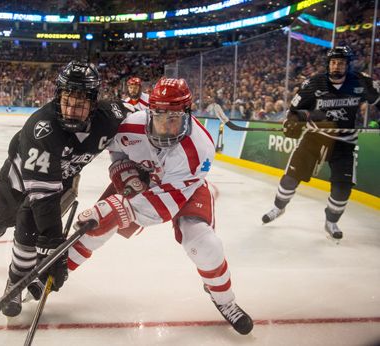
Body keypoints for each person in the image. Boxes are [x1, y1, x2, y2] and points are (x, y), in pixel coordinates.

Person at [69, 77, 254, 335]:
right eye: (159, 117)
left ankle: (225, 300)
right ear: (149, 113)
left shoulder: (199, 149)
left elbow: (161, 209)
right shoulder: (131, 126)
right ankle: (57, 270)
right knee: (97, 226)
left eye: (173, 118)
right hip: (143, 178)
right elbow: (118, 150)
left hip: (184, 189)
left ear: (186, 113)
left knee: (203, 244)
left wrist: (117, 209)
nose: (166, 127)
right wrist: (123, 172)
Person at [0, 60, 132, 317]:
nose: (71, 110)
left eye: (80, 104)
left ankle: (14, 282)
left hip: (59, 183)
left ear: (93, 103)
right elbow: (42, 197)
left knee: (28, 228)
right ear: (58, 96)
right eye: (67, 101)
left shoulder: (111, 117)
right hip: (14, 182)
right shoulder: (42, 128)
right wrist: (54, 247)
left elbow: (145, 114)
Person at [262, 46, 380, 240]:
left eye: (341, 63)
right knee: (291, 177)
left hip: (344, 142)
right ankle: (278, 207)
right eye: (333, 62)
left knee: (343, 188)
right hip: (314, 137)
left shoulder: (361, 81)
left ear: (347, 65)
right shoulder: (315, 83)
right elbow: (294, 110)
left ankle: (331, 221)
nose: (336, 66)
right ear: (328, 64)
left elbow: (378, 101)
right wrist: (292, 122)